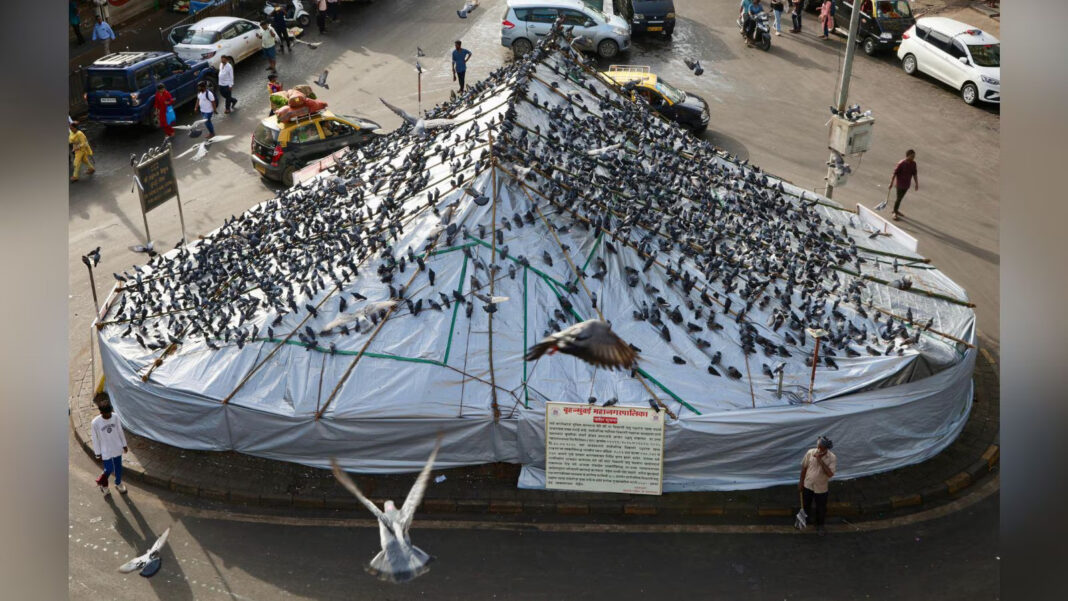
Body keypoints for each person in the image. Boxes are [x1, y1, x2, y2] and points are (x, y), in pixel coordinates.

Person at [90, 396, 129, 496]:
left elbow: (120, 431)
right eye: (107, 414)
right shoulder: (95, 423)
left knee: (118, 467)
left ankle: (118, 483)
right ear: (101, 413)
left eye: (110, 413)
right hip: (105, 450)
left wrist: (124, 444)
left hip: (117, 446)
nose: (109, 415)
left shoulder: (115, 417)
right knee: (109, 469)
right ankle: (104, 485)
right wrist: (97, 454)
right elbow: (95, 439)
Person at [799, 436, 837, 536]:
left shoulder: (832, 457)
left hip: (821, 488)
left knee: (821, 508)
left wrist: (820, 460)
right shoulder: (810, 452)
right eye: (818, 446)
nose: (819, 449)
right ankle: (806, 520)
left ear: (826, 448)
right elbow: (804, 468)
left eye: (822, 448)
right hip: (808, 485)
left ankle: (820, 525)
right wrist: (801, 482)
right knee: (806, 504)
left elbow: (830, 474)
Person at [888, 149, 918, 220]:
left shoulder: (913, 164)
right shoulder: (901, 163)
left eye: (914, 156)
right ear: (907, 156)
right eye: (912, 156)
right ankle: (894, 212)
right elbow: (894, 173)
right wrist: (891, 183)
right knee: (898, 198)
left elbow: (915, 174)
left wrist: (916, 183)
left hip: (907, 185)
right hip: (900, 184)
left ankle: (896, 210)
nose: (913, 158)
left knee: (900, 198)